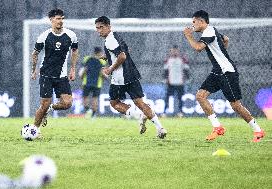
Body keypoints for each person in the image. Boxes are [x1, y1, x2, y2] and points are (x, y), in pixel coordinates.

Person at [183, 10, 265, 142]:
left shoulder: (209, 32)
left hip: (227, 72)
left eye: (194, 22)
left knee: (236, 106)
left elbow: (198, 48)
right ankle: (217, 128)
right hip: (217, 71)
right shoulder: (211, 31)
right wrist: (221, 49)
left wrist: (188, 36)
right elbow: (226, 39)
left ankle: (258, 130)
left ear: (201, 21)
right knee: (200, 96)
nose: (192, 25)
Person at [95, 16, 167, 138]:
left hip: (119, 78)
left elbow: (122, 56)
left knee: (114, 103)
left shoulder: (109, 40)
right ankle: (160, 128)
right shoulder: (117, 36)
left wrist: (109, 69)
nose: (99, 30)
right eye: (97, 28)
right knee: (140, 103)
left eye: (101, 27)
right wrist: (108, 56)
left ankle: (137, 114)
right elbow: (125, 51)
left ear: (108, 26)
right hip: (132, 74)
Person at [31, 9, 79, 131]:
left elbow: (75, 50)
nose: (61, 21)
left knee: (67, 103)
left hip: (61, 76)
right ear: (51, 20)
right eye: (58, 19)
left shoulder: (71, 35)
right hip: (46, 75)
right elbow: (35, 53)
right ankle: (35, 130)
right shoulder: (44, 36)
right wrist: (34, 70)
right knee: (44, 105)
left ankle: (49, 109)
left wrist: (73, 69)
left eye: (62, 18)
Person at [78, 47, 107, 118]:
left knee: (85, 98)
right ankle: (93, 115)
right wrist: (105, 77)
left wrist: (81, 77)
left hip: (86, 83)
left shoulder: (87, 59)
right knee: (95, 99)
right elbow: (104, 74)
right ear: (100, 53)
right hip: (97, 84)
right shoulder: (103, 61)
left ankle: (88, 111)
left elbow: (82, 71)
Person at [163, 45, 190, 117]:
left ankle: (180, 112)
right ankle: (164, 112)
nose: (174, 52)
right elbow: (165, 71)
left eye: (176, 50)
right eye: (173, 50)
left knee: (180, 98)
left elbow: (186, 70)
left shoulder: (182, 59)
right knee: (167, 97)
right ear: (171, 51)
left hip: (180, 82)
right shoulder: (168, 60)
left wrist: (187, 79)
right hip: (170, 82)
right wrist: (165, 79)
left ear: (178, 51)